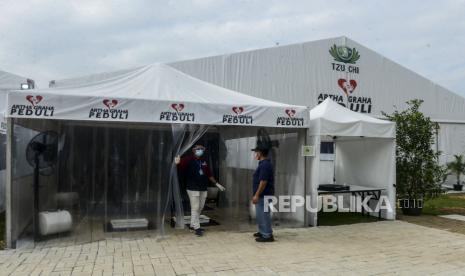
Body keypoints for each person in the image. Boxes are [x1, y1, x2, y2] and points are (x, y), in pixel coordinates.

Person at [175, 143, 225, 236]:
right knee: (195, 207)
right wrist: (177, 163)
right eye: (198, 149)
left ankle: (192, 225)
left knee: (200, 207)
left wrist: (217, 183)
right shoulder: (188, 159)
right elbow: (179, 165)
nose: (200, 150)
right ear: (193, 150)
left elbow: (209, 174)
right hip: (192, 187)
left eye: (202, 149)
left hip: (203, 187)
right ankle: (197, 228)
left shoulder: (203, 161)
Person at [251, 145, 275, 242]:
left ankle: (267, 235)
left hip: (264, 195)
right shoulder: (263, 164)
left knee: (264, 214)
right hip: (263, 195)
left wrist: (257, 195)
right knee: (260, 214)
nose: (255, 154)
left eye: (256, 152)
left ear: (260, 153)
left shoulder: (265, 165)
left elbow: (263, 181)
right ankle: (262, 231)